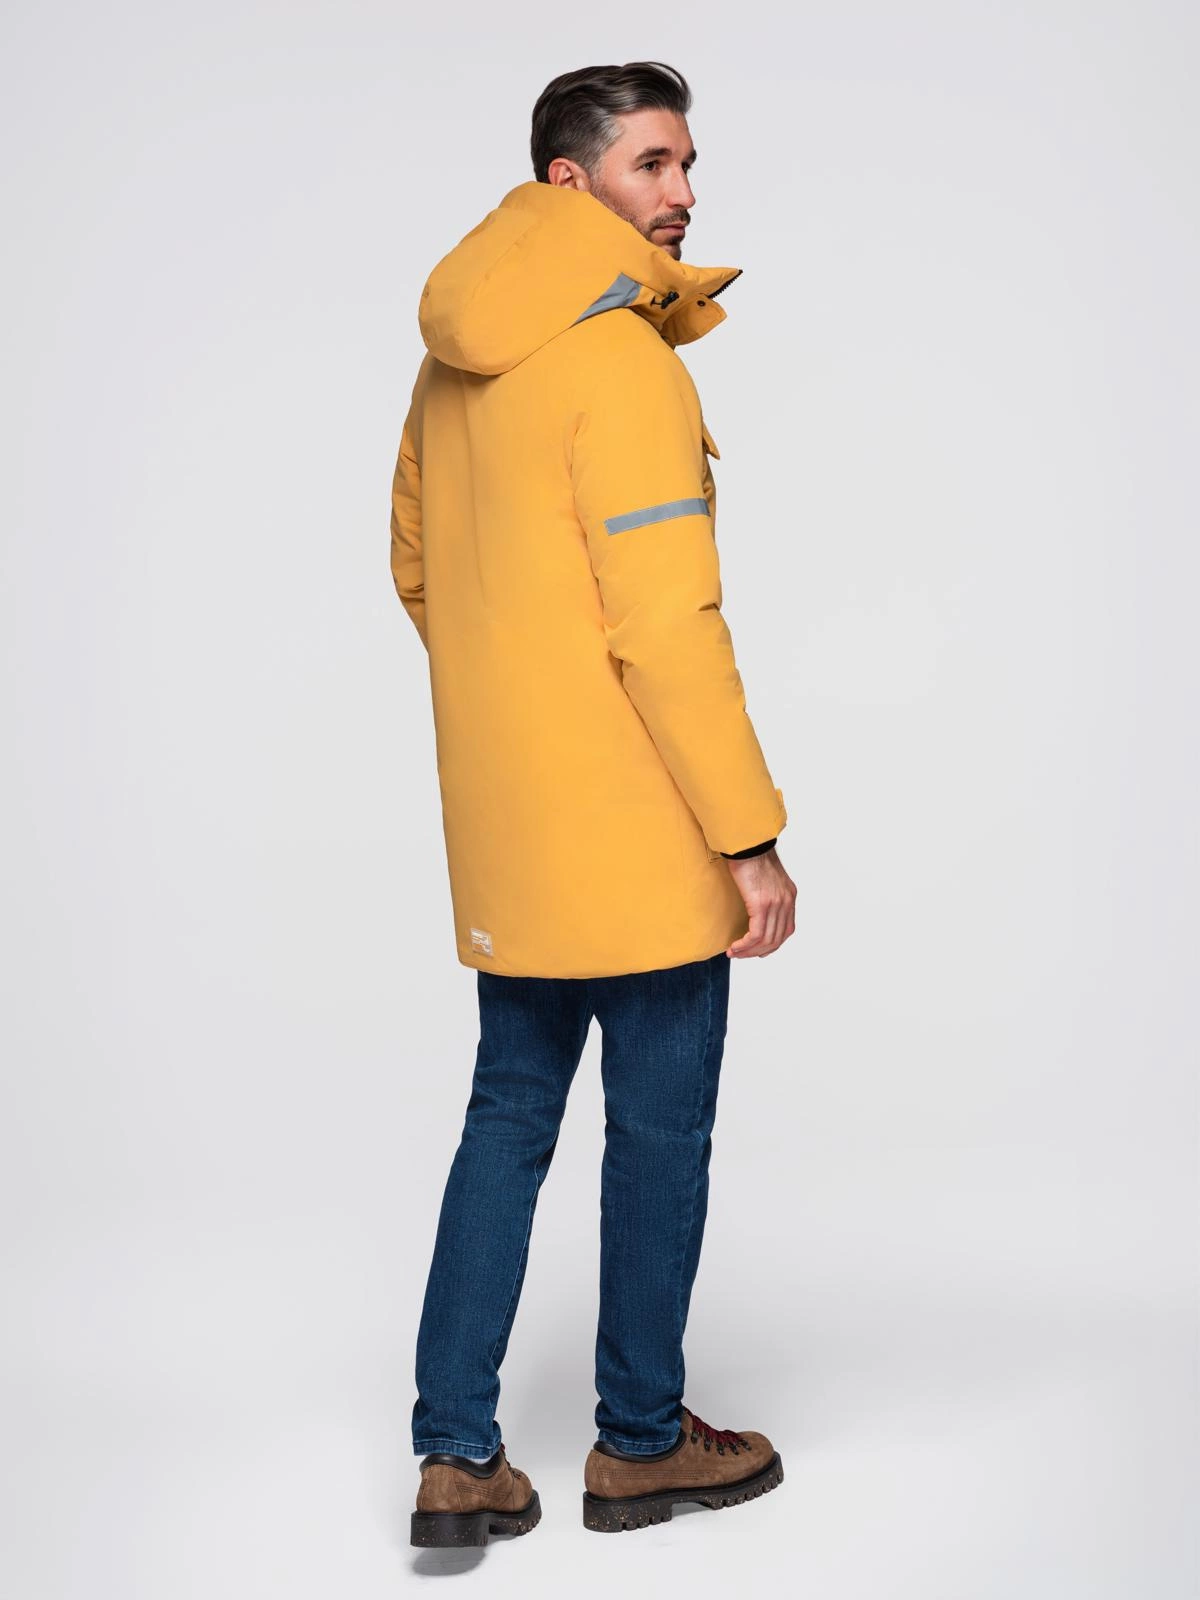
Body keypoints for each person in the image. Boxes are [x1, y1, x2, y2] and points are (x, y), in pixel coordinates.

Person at [392, 61, 796, 1547]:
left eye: (686, 163)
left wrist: (521, 718)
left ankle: (455, 1457)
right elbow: (668, 627)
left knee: (506, 1119)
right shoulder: (622, 360)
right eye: (651, 164)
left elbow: (420, 574)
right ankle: (640, 1443)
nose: (683, 192)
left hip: (513, 826)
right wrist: (748, 835)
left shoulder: (454, 364)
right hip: (643, 827)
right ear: (570, 180)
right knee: (659, 1135)